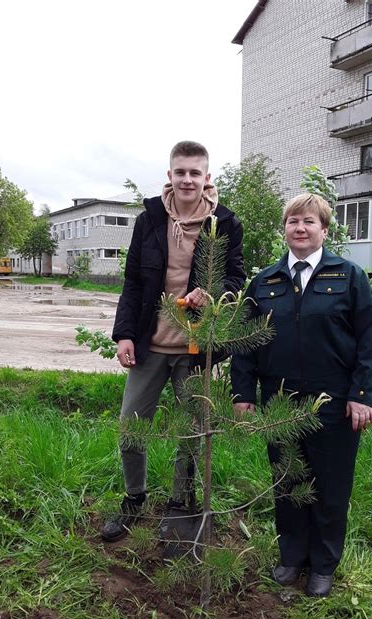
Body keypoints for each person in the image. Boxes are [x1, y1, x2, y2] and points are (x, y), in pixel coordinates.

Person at [231, 193, 372, 597]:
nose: (300, 228)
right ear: (285, 229)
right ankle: (292, 557)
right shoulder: (265, 282)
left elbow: (370, 338)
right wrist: (242, 392)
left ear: (324, 230)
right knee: (287, 481)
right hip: (279, 402)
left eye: (309, 222)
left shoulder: (348, 276)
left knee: (331, 486)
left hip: (333, 404)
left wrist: (362, 395)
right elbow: (244, 341)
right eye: (293, 221)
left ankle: (323, 565)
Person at [101, 140, 245, 542]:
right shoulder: (149, 219)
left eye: (195, 173)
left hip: (196, 350)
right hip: (150, 345)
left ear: (207, 178)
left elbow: (236, 276)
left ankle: (180, 505)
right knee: (131, 426)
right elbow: (132, 282)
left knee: (191, 432)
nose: (187, 179)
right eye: (180, 172)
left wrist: (213, 293)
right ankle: (134, 499)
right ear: (170, 175)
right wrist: (125, 334)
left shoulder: (225, 224)